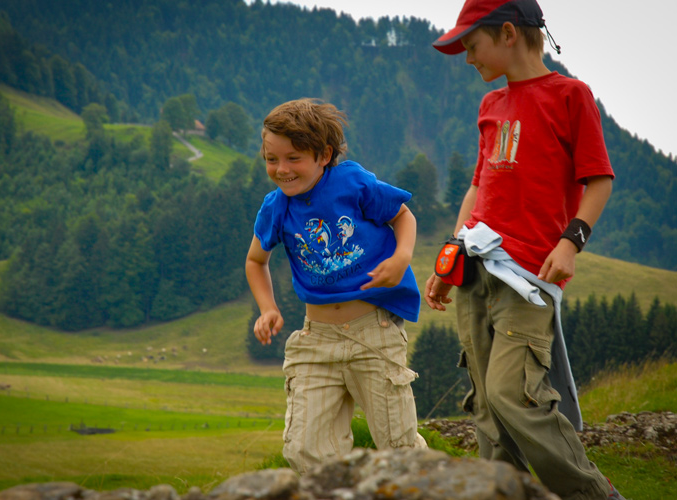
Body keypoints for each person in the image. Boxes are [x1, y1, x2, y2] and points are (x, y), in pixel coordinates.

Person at [424, 1, 626, 499]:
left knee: (512, 394)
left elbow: (599, 180)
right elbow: (478, 187)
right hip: (474, 270)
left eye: (473, 45)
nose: (469, 57)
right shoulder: (490, 105)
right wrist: (451, 254)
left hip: (528, 277)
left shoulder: (570, 95)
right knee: (488, 411)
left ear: (509, 33)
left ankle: (597, 496)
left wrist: (571, 242)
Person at [246, 98, 427, 474]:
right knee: (305, 451)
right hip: (316, 340)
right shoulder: (276, 207)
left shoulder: (352, 183)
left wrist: (401, 258)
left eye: (294, 158)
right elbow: (255, 261)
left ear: (324, 155)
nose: (282, 169)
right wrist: (268, 308)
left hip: (374, 334)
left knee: (399, 447)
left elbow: (402, 215)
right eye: (271, 159)